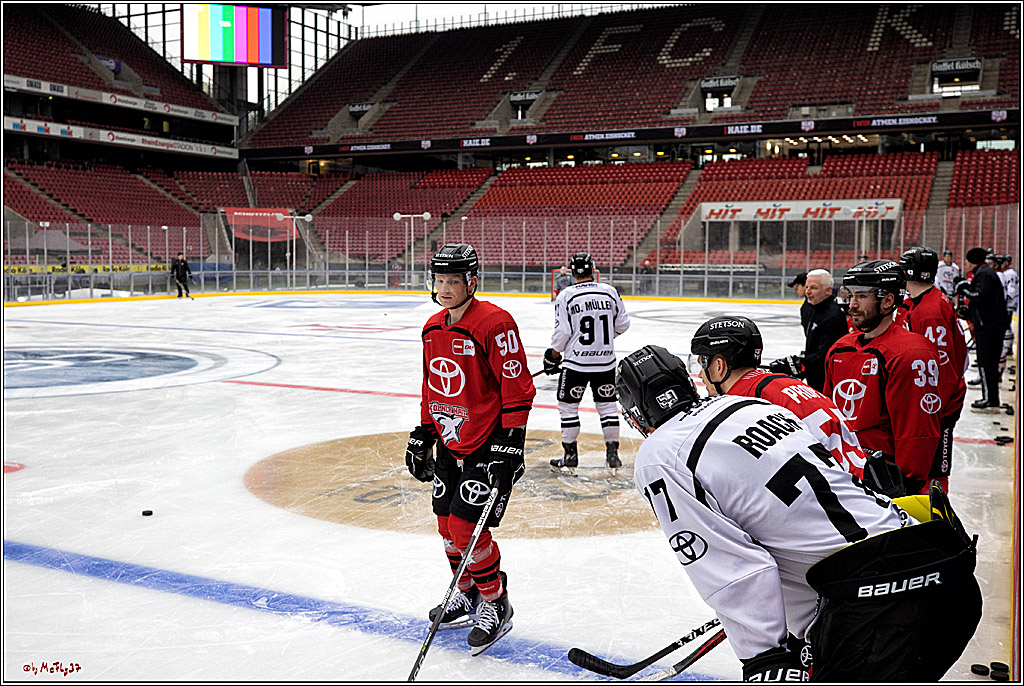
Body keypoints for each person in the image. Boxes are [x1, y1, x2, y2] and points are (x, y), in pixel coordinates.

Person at [615, 345, 981, 682]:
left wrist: (764, 656)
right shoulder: (755, 407)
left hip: (877, 610)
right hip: (941, 567)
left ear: (635, 411)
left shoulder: (660, 455)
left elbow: (734, 569)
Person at [404, 243, 536, 654]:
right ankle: (466, 592)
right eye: (439, 280)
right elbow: (431, 384)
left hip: (488, 443)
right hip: (448, 438)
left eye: (453, 281)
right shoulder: (432, 328)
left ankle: (496, 603)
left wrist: (511, 444)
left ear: (471, 282)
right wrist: (423, 431)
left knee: (466, 528)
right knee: (445, 526)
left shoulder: (495, 323)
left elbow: (518, 390)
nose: (444, 289)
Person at [689, 315, 865, 479]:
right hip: (861, 480)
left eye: (702, 366)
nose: (700, 377)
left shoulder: (743, 402)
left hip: (836, 495)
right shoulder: (784, 383)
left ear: (719, 366)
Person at [823, 260, 942, 496]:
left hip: (884, 475)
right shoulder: (840, 348)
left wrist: (906, 485)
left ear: (887, 301)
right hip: (842, 469)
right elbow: (826, 413)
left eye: (861, 297)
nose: (852, 305)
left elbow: (916, 430)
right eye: (851, 295)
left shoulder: (911, 353)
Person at [544, 252, 631, 474]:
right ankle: (613, 454)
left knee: (568, 407)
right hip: (605, 363)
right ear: (593, 270)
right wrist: (604, 340)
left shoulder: (566, 295)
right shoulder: (610, 291)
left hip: (576, 364)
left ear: (572, 273)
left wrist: (553, 355)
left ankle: (570, 455)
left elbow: (562, 332)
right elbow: (623, 325)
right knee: (608, 406)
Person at [896, 247, 968, 492]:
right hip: (932, 400)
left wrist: (932, 409)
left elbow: (942, 368)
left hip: (938, 405)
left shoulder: (929, 312)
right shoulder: (923, 302)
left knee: (934, 469)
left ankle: (935, 514)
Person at [768, 269, 847, 392]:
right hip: (814, 375)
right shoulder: (808, 308)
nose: (808, 292)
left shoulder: (833, 316)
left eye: (813, 288)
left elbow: (827, 355)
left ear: (828, 291)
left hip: (828, 381)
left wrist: (801, 364)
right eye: (807, 287)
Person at [956, 247, 1009, 412]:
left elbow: (980, 296)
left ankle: (989, 399)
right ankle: (991, 397)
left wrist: (963, 288)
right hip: (990, 324)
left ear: (972, 260)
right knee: (989, 363)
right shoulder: (985, 272)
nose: (965, 263)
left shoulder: (984, 274)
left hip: (988, 326)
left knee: (986, 363)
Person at [995, 254, 1018, 381]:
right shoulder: (1009, 273)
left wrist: (1003, 302)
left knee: (1005, 329)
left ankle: (1007, 349)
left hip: (1007, 306)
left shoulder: (1008, 274)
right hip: (1008, 305)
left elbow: (1011, 291)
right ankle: (1006, 349)